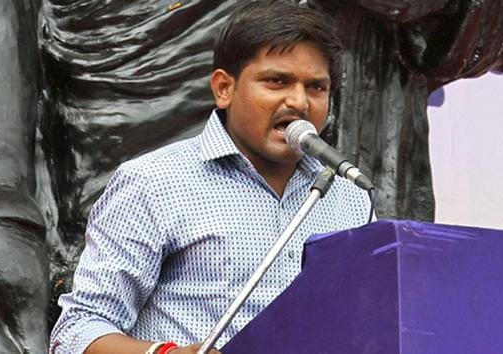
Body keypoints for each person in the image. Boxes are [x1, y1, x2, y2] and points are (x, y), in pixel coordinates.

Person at [49, 1, 372, 353]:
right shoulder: (154, 182)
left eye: (316, 88)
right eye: (277, 81)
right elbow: (77, 330)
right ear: (224, 88)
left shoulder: (351, 197)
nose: (299, 102)